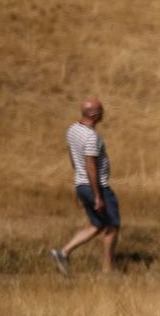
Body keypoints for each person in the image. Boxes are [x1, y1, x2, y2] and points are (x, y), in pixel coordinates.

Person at [47, 98, 119, 275]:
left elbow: (73, 157)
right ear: (95, 115)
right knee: (112, 226)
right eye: (101, 110)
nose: (104, 113)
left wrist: (79, 185)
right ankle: (108, 269)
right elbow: (91, 166)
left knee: (98, 225)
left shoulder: (73, 130)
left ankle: (63, 253)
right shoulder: (91, 137)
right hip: (97, 187)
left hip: (81, 184)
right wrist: (97, 196)